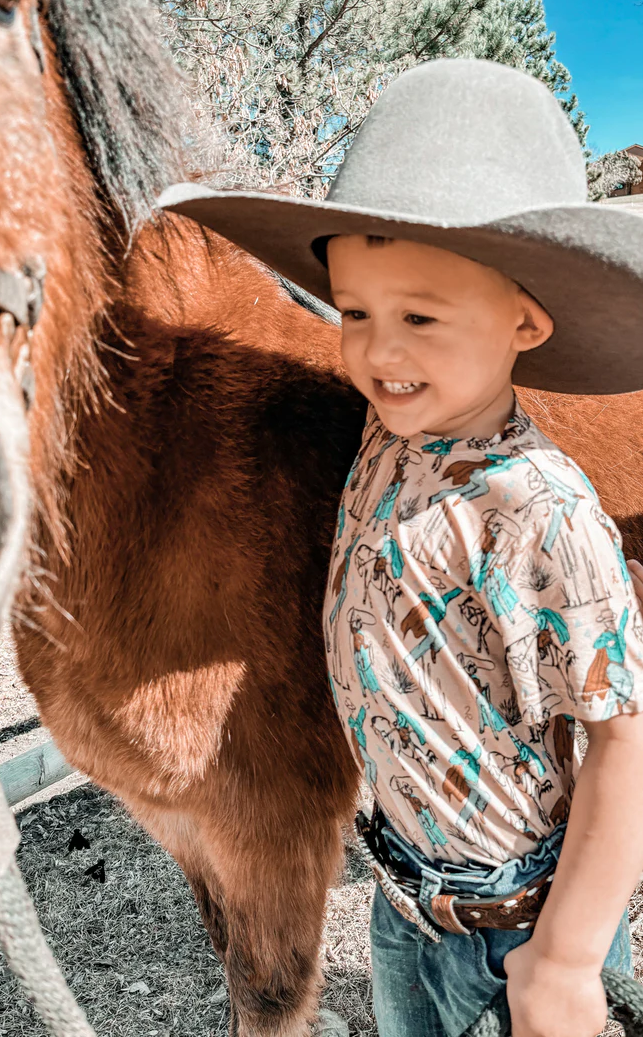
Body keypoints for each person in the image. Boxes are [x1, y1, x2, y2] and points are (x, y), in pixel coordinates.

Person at [161, 61, 643, 1037]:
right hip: (404, 901)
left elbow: (624, 742)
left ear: (523, 321)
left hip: (517, 926)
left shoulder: (539, 511)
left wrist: (565, 955)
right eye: (354, 313)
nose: (378, 353)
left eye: (417, 317)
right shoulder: (388, 437)